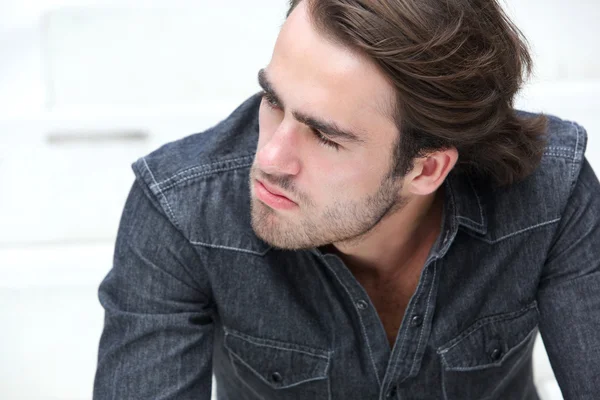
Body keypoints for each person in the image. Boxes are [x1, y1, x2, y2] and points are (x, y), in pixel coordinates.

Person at [93, 0, 600, 399]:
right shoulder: (181, 209)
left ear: (426, 168)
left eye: (325, 136)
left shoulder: (551, 193)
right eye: (273, 101)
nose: (270, 157)